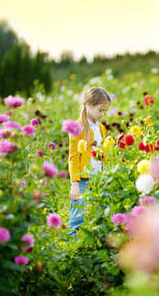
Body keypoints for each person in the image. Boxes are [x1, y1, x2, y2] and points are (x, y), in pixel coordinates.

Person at [67, 87, 111, 236]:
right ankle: (69, 254)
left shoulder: (101, 128)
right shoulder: (77, 127)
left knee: (103, 217)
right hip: (83, 180)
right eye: (101, 110)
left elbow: (103, 154)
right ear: (89, 105)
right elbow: (73, 156)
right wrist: (75, 184)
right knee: (77, 219)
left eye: (105, 111)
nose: (103, 114)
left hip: (99, 179)